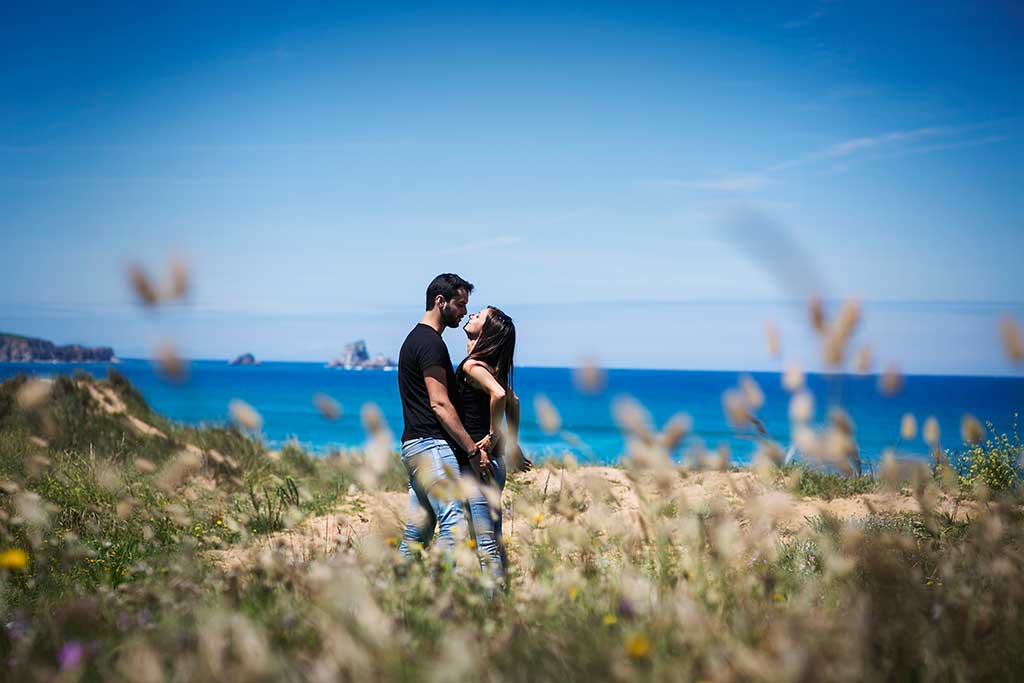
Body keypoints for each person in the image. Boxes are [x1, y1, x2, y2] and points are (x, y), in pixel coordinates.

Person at [397, 273, 492, 557]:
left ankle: (395, 593)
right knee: (454, 524)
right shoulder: (431, 344)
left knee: (419, 531)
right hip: (431, 447)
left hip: (413, 447)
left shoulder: (414, 339)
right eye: (460, 305)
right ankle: (441, 591)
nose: (464, 312)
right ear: (440, 301)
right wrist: (472, 450)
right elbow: (440, 404)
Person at [456, 305, 531, 580]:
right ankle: (500, 596)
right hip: (496, 464)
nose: (472, 314)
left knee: (485, 542)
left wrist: (490, 436)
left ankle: (494, 605)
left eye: (479, 315)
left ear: (486, 332)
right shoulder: (491, 367)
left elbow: (499, 396)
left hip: (482, 464)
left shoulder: (473, 366)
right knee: (492, 538)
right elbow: (515, 402)